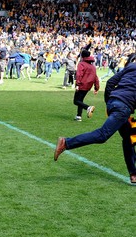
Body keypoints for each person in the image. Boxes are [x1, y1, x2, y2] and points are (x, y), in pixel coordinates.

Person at [55, 55, 136, 184]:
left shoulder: (131, 67)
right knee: (102, 135)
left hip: (114, 103)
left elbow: (110, 83)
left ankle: (133, 173)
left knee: (128, 138)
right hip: (123, 108)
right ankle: (66, 142)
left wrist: (109, 103)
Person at [72, 49, 99, 121]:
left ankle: (88, 108)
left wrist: (77, 84)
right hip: (88, 86)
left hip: (81, 85)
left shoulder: (81, 64)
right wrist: (96, 88)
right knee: (80, 100)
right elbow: (95, 77)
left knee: (76, 101)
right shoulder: (92, 66)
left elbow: (79, 74)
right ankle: (79, 116)